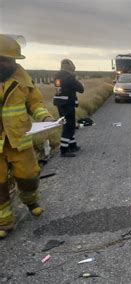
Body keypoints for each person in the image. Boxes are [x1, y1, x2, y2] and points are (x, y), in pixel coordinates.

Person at [0, 34, 54, 239]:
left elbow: (35, 103)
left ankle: (31, 200)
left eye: (12, 60)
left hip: (19, 139)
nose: (9, 64)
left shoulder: (23, 79)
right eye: (5, 60)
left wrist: (46, 117)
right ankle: (4, 222)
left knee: (29, 176)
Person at [53, 59, 84, 157]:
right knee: (69, 125)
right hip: (67, 103)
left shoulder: (57, 76)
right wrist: (77, 81)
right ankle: (64, 149)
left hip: (59, 102)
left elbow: (59, 87)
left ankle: (72, 145)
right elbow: (81, 89)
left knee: (67, 123)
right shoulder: (69, 77)